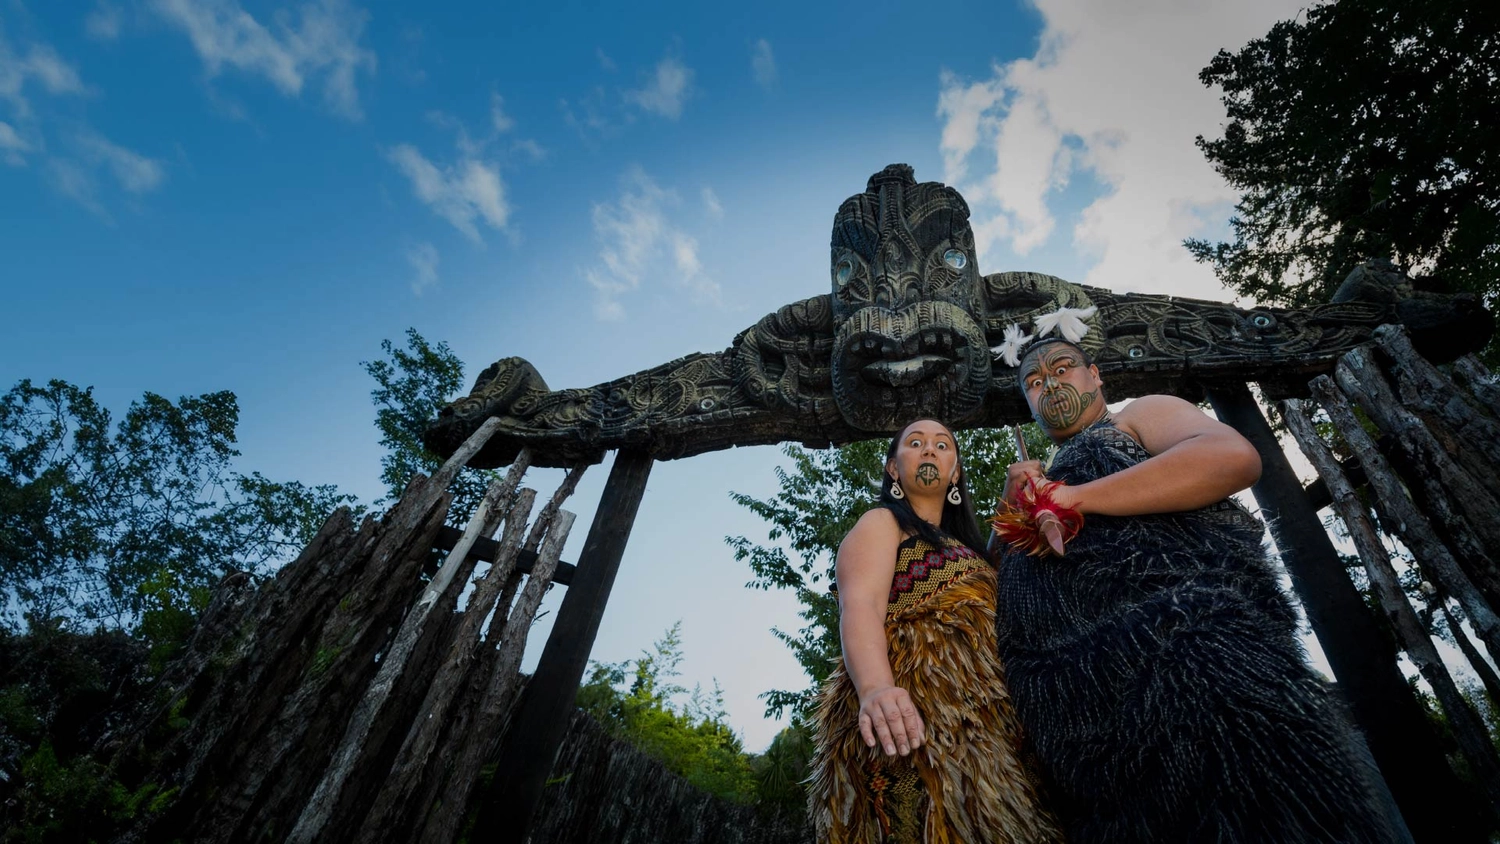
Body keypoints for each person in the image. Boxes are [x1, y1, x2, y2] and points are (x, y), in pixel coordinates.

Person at [995, 336, 1405, 843]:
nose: (1049, 384)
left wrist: (1075, 496)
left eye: (1062, 369)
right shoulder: (1036, 480)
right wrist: (1013, 512)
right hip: (1078, 712)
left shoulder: (1137, 416)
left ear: (1096, 375)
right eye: (1034, 383)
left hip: (1192, 652)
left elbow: (1229, 457)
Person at [808, 419, 1061, 844]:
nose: (929, 451)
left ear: (956, 472)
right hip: (915, 715)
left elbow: (995, 589)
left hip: (992, 721)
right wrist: (875, 689)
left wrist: (1013, 501)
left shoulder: (967, 550)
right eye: (916, 443)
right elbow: (861, 604)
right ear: (893, 468)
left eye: (943, 445)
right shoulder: (882, 523)